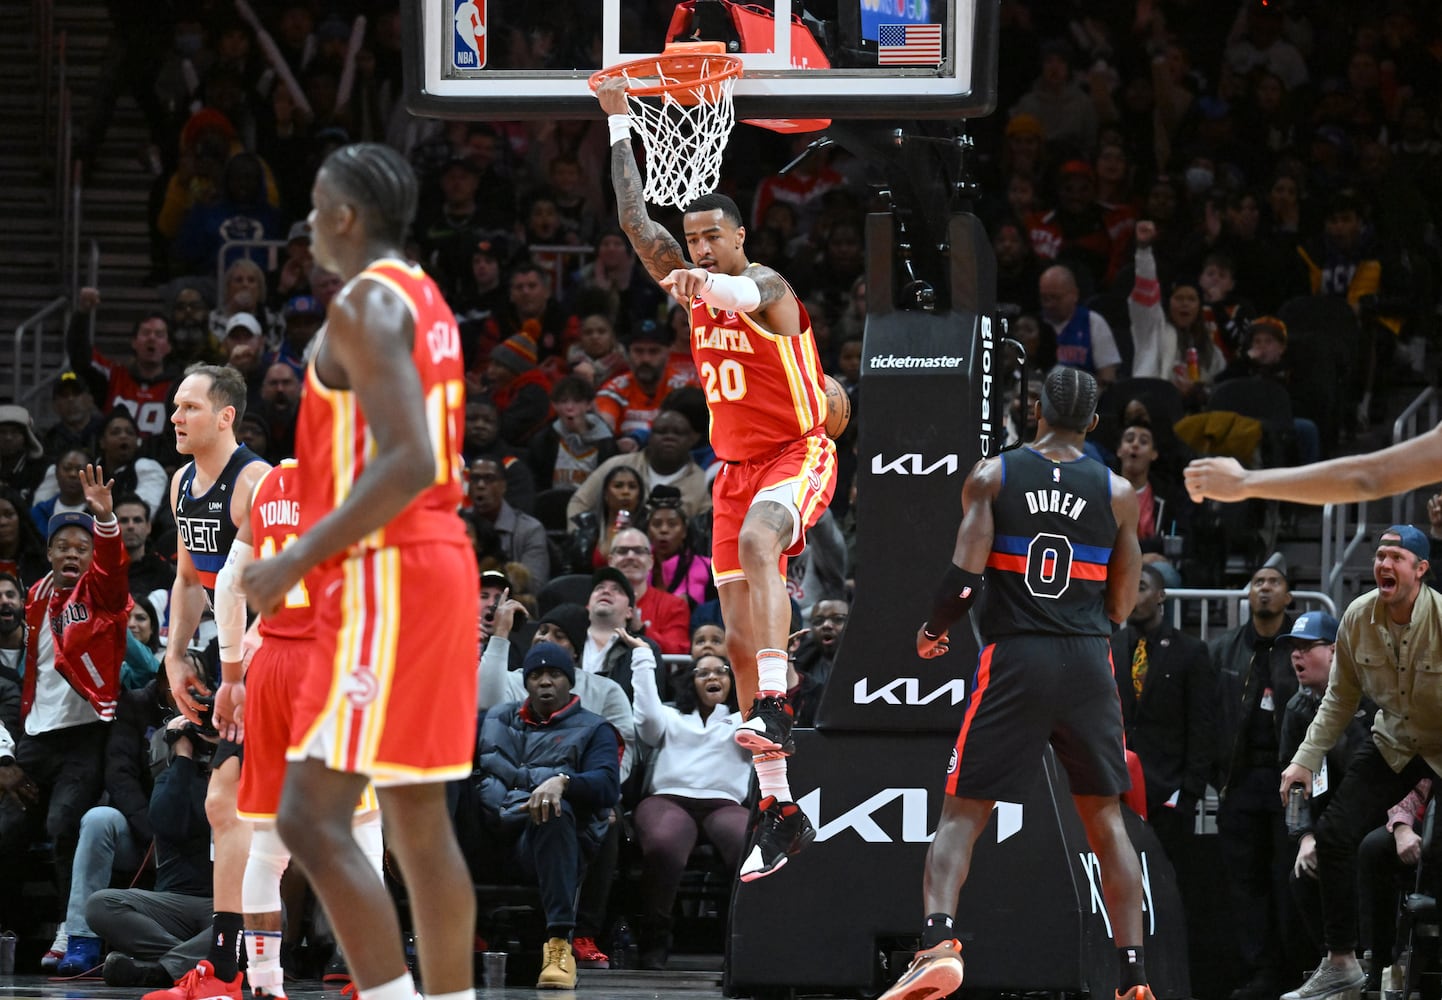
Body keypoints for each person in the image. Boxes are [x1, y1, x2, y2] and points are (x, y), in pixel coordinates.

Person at [240, 142, 479, 1000]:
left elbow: (411, 457)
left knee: (308, 817)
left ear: (345, 216)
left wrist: (294, 558)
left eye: (315, 206)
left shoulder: (362, 304)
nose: (307, 223)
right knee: (417, 822)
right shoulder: (425, 296)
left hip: (389, 571)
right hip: (432, 562)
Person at [602, 78, 839, 878]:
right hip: (733, 473)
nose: (699, 246)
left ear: (740, 234)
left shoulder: (769, 289)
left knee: (765, 541)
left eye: (712, 235)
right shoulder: (687, 275)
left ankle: (775, 700)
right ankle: (779, 809)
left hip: (796, 454)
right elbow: (636, 222)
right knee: (737, 641)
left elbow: (743, 290)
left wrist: (703, 282)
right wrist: (618, 123)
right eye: (692, 238)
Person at [878, 367, 1148, 1000]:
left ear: (1036, 412)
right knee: (1106, 820)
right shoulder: (1118, 492)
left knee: (961, 815)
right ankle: (1134, 979)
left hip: (1017, 656)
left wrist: (933, 629)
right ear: (1094, 422)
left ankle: (938, 945)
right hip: (1087, 660)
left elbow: (963, 581)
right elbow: (1122, 604)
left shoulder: (993, 475)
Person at [210, 459, 385, 1000]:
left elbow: (230, 584)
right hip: (328, 665)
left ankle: (265, 983)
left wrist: (232, 675)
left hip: (270, 666)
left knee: (268, 845)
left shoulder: (268, 485)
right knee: (364, 828)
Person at [1274, 527, 1442, 1000]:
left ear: (1421, 570)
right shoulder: (1357, 616)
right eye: (1380, 555)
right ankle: (1342, 962)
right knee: (1333, 833)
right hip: (1396, 741)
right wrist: (1304, 760)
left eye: (1396, 557)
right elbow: (1339, 699)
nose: (1383, 564)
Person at [156, 363, 269, 1000]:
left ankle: (235, 967)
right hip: (234, 657)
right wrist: (174, 655)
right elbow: (187, 579)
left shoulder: (256, 482)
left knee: (243, 806)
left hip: (274, 654)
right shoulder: (180, 483)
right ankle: (233, 967)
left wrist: (244, 669)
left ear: (226, 416)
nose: (175, 417)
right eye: (176, 406)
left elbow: (283, 589)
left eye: (190, 407)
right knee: (230, 806)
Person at [0, 467, 131, 971]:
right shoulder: (34, 596)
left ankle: (67, 928)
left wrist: (106, 522)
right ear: (50, 553)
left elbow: (113, 571)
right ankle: (8, 928)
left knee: (61, 826)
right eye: (64, 547)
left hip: (85, 733)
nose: (73, 554)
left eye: (82, 548)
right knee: (9, 825)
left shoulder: (100, 592)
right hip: (38, 732)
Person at [458, 642, 622, 989]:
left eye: (554, 674)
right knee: (447, 778)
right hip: (485, 835)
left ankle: (559, 946)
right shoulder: (493, 719)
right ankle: (406, 860)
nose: (545, 682)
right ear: (526, 683)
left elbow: (608, 785)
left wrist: (563, 781)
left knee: (553, 812)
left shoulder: (595, 729)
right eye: (536, 675)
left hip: (537, 845)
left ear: (570, 681)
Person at [1209, 557, 1302, 1000]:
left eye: (1274, 582)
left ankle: (1298, 968)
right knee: (1246, 885)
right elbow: (1209, 716)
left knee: (1291, 879)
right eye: (1257, 581)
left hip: (1292, 783)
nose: (1264, 588)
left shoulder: (1302, 646)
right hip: (1241, 781)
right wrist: (1216, 776)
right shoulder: (1223, 649)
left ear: (1289, 595)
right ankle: (1261, 972)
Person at [631, 651, 749, 969]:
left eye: (721, 671)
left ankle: (741, 940)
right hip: (669, 799)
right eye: (703, 672)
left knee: (747, 846)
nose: (713, 677)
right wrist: (642, 657)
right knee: (663, 844)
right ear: (691, 682)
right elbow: (646, 721)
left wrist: (774, 663)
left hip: (724, 803)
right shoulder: (671, 716)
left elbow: (775, 724)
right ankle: (655, 937)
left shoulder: (744, 719)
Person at [1276, 612, 1373, 963]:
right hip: (1326, 823)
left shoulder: (1368, 699)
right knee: (1302, 874)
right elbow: (1291, 784)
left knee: (1363, 859)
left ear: (1334, 651)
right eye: (1293, 648)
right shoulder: (1296, 709)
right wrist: (1304, 836)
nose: (1296, 655)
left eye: (1306, 647)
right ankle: (1332, 961)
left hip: (1372, 817)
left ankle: (1377, 959)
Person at [1109, 564, 1214, 863]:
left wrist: (1188, 794)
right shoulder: (1110, 646)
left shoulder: (1190, 651)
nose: (1131, 594)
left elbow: (1202, 726)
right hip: (1117, 790)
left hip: (1169, 794)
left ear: (1161, 595)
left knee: (1169, 878)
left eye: (1140, 587)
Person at [607, 527, 691, 655]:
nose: (630, 556)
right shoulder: (598, 603)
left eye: (639, 551)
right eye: (622, 551)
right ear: (610, 561)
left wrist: (640, 628)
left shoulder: (674, 605)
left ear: (651, 561)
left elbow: (678, 651)